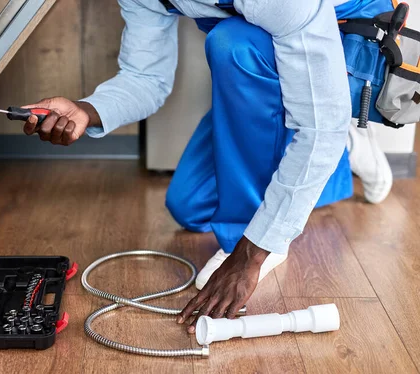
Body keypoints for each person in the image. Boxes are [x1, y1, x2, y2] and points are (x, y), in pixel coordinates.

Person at [22, 0, 395, 333]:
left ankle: (331, 122)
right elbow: (145, 78)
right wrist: (87, 111)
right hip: (284, 58)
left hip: (353, 51)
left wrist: (252, 251)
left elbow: (319, 129)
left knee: (234, 44)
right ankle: (341, 148)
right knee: (190, 205)